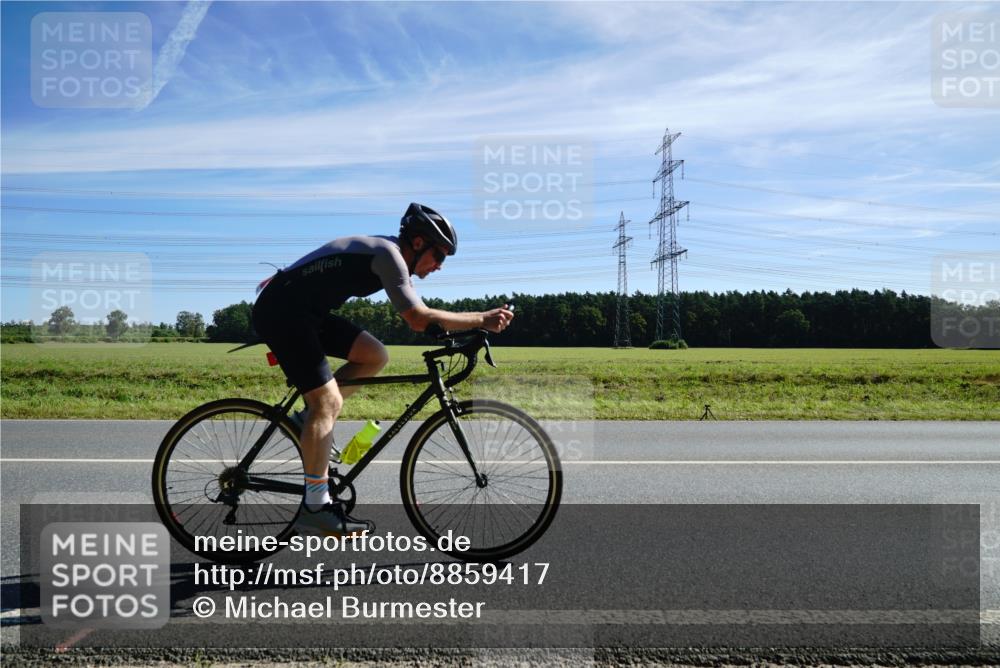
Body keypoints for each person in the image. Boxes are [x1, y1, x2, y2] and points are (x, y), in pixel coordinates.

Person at [251, 203, 514, 537]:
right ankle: (315, 506)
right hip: (282, 311)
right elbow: (418, 318)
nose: (440, 266)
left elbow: (423, 317)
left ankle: (306, 422)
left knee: (374, 355)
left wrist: (463, 328)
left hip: (305, 312)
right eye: (440, 256)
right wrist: (482, 319)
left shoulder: (390, 254)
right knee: (327, 402)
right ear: (418, 243)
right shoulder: (389, 255)